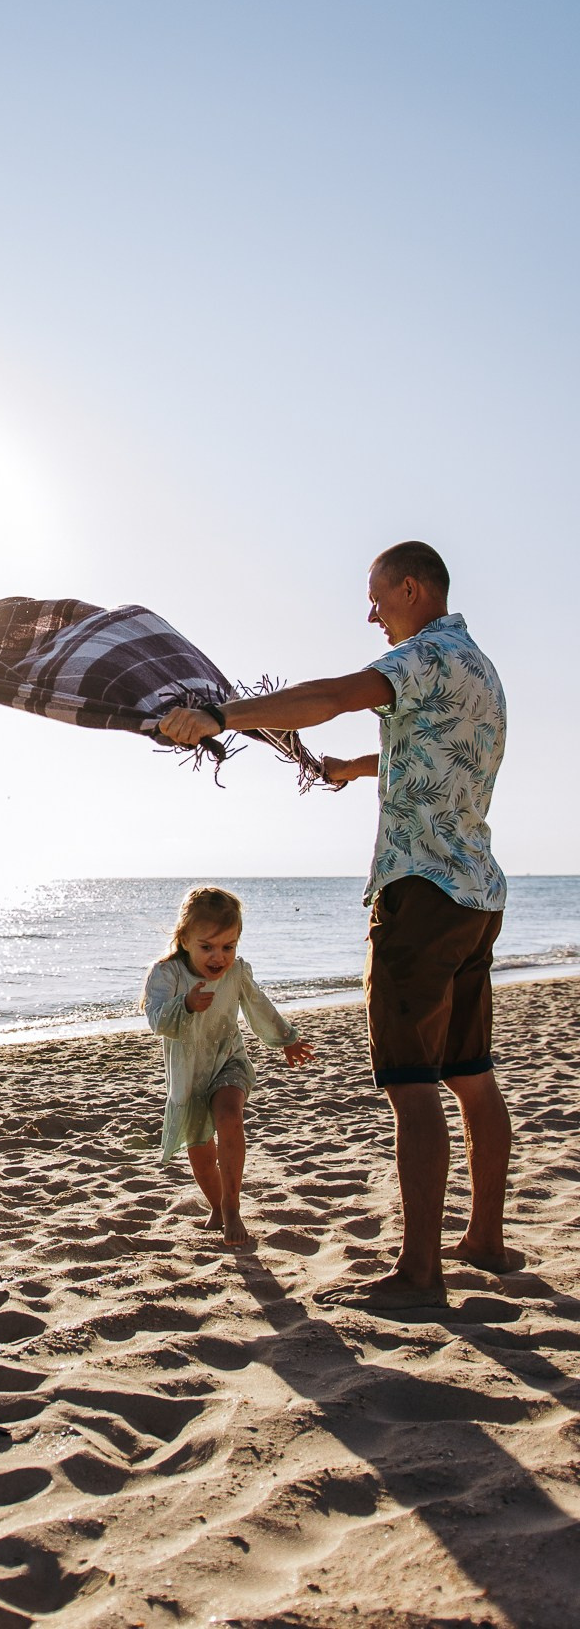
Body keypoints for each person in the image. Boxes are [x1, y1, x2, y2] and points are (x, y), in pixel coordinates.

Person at [157, 541, 513, 1312]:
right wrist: (353, 769)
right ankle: (486, 1240)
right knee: (470, 1075)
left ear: (411, 588)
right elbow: (439, 763)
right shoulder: (479, 669)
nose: (372, 613)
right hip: (477, 896)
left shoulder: (422, 655)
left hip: (420, 896)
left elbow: (332, 695)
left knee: (411, 1084)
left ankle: (419, 1275)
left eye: (378, 597)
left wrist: (222, 715)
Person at [143, 886, 314, 1249]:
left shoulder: (236, 972)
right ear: (184, 939)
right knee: (200, 1151)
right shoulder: (167, 973)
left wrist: (287, 1038)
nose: (218, 957)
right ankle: (218, 1207)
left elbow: (258, 1006)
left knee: (228, 1115)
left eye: (228, 946)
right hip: (189, 1074)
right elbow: (156, 1019)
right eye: (207, 947)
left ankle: (233, 1207)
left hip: (228, 1060)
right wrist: (186, 1004)